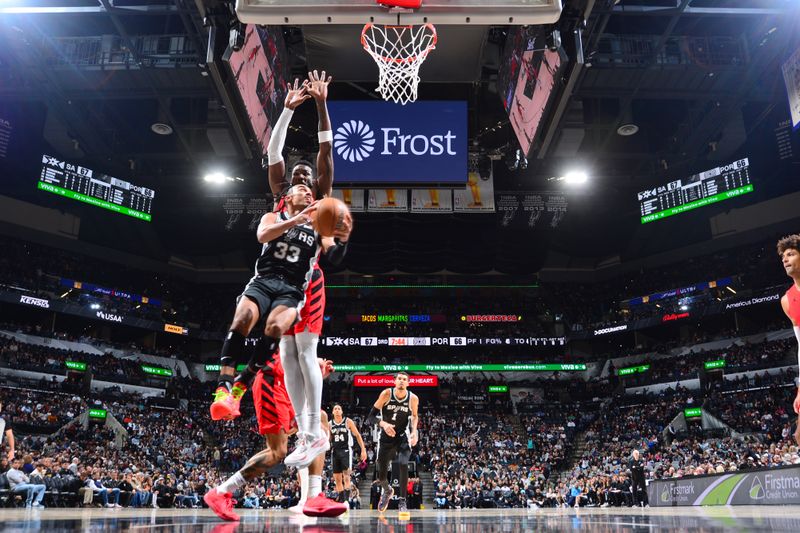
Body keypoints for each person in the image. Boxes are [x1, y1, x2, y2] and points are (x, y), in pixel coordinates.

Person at [209, 182, 350, 422]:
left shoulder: (318, 226)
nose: (307, 192)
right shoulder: (273, 216)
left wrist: (344, 239)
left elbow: (335, 256)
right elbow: (262, 235)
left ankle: (242, 384)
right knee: (242, 318)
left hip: (292, 290)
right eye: (301, 189)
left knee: (275, 327)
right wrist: (296, 221)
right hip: (263, 280)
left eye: (310, 192)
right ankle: (223, 389)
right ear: (287, 197)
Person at [204, 356, 346, 521]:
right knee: (277, 452)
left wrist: (317, 372)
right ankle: (220, 492)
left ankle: (314, 496)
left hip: (288, 386)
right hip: (271, 382)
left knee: (319, 424)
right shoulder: (284, 337)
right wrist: (232, 392)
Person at [366, 372, 420, 513]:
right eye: (399, 379)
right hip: (385, 437)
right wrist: (383, 424)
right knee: (381, 475)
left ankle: (403, 501)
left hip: (402, 436)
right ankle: (387, 490)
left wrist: (414, 432)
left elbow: (415, 416)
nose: (402, 381)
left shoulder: (413, 398)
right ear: (394, 381)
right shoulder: (386, 394)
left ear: (408, 383)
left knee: (403, 464)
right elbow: (371, 417)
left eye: (404, 380)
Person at [778, 234, 800, 445]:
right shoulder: (786, 300)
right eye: (783, 256)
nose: (785, 259)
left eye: (791, 254)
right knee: (799, 435)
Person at [329, 403, 368, 503]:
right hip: (335, 451)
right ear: (333, 412)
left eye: (339, 408)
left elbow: (358, 435)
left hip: (346, 451)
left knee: (346, 476)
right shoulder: (330, 424)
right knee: (337, 479)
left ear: (341, 411)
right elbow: (329, 439)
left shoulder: (348, 421)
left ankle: (346, 501)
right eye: (335, 409)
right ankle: (342, 501)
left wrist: (363, 450)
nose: (337, 410)